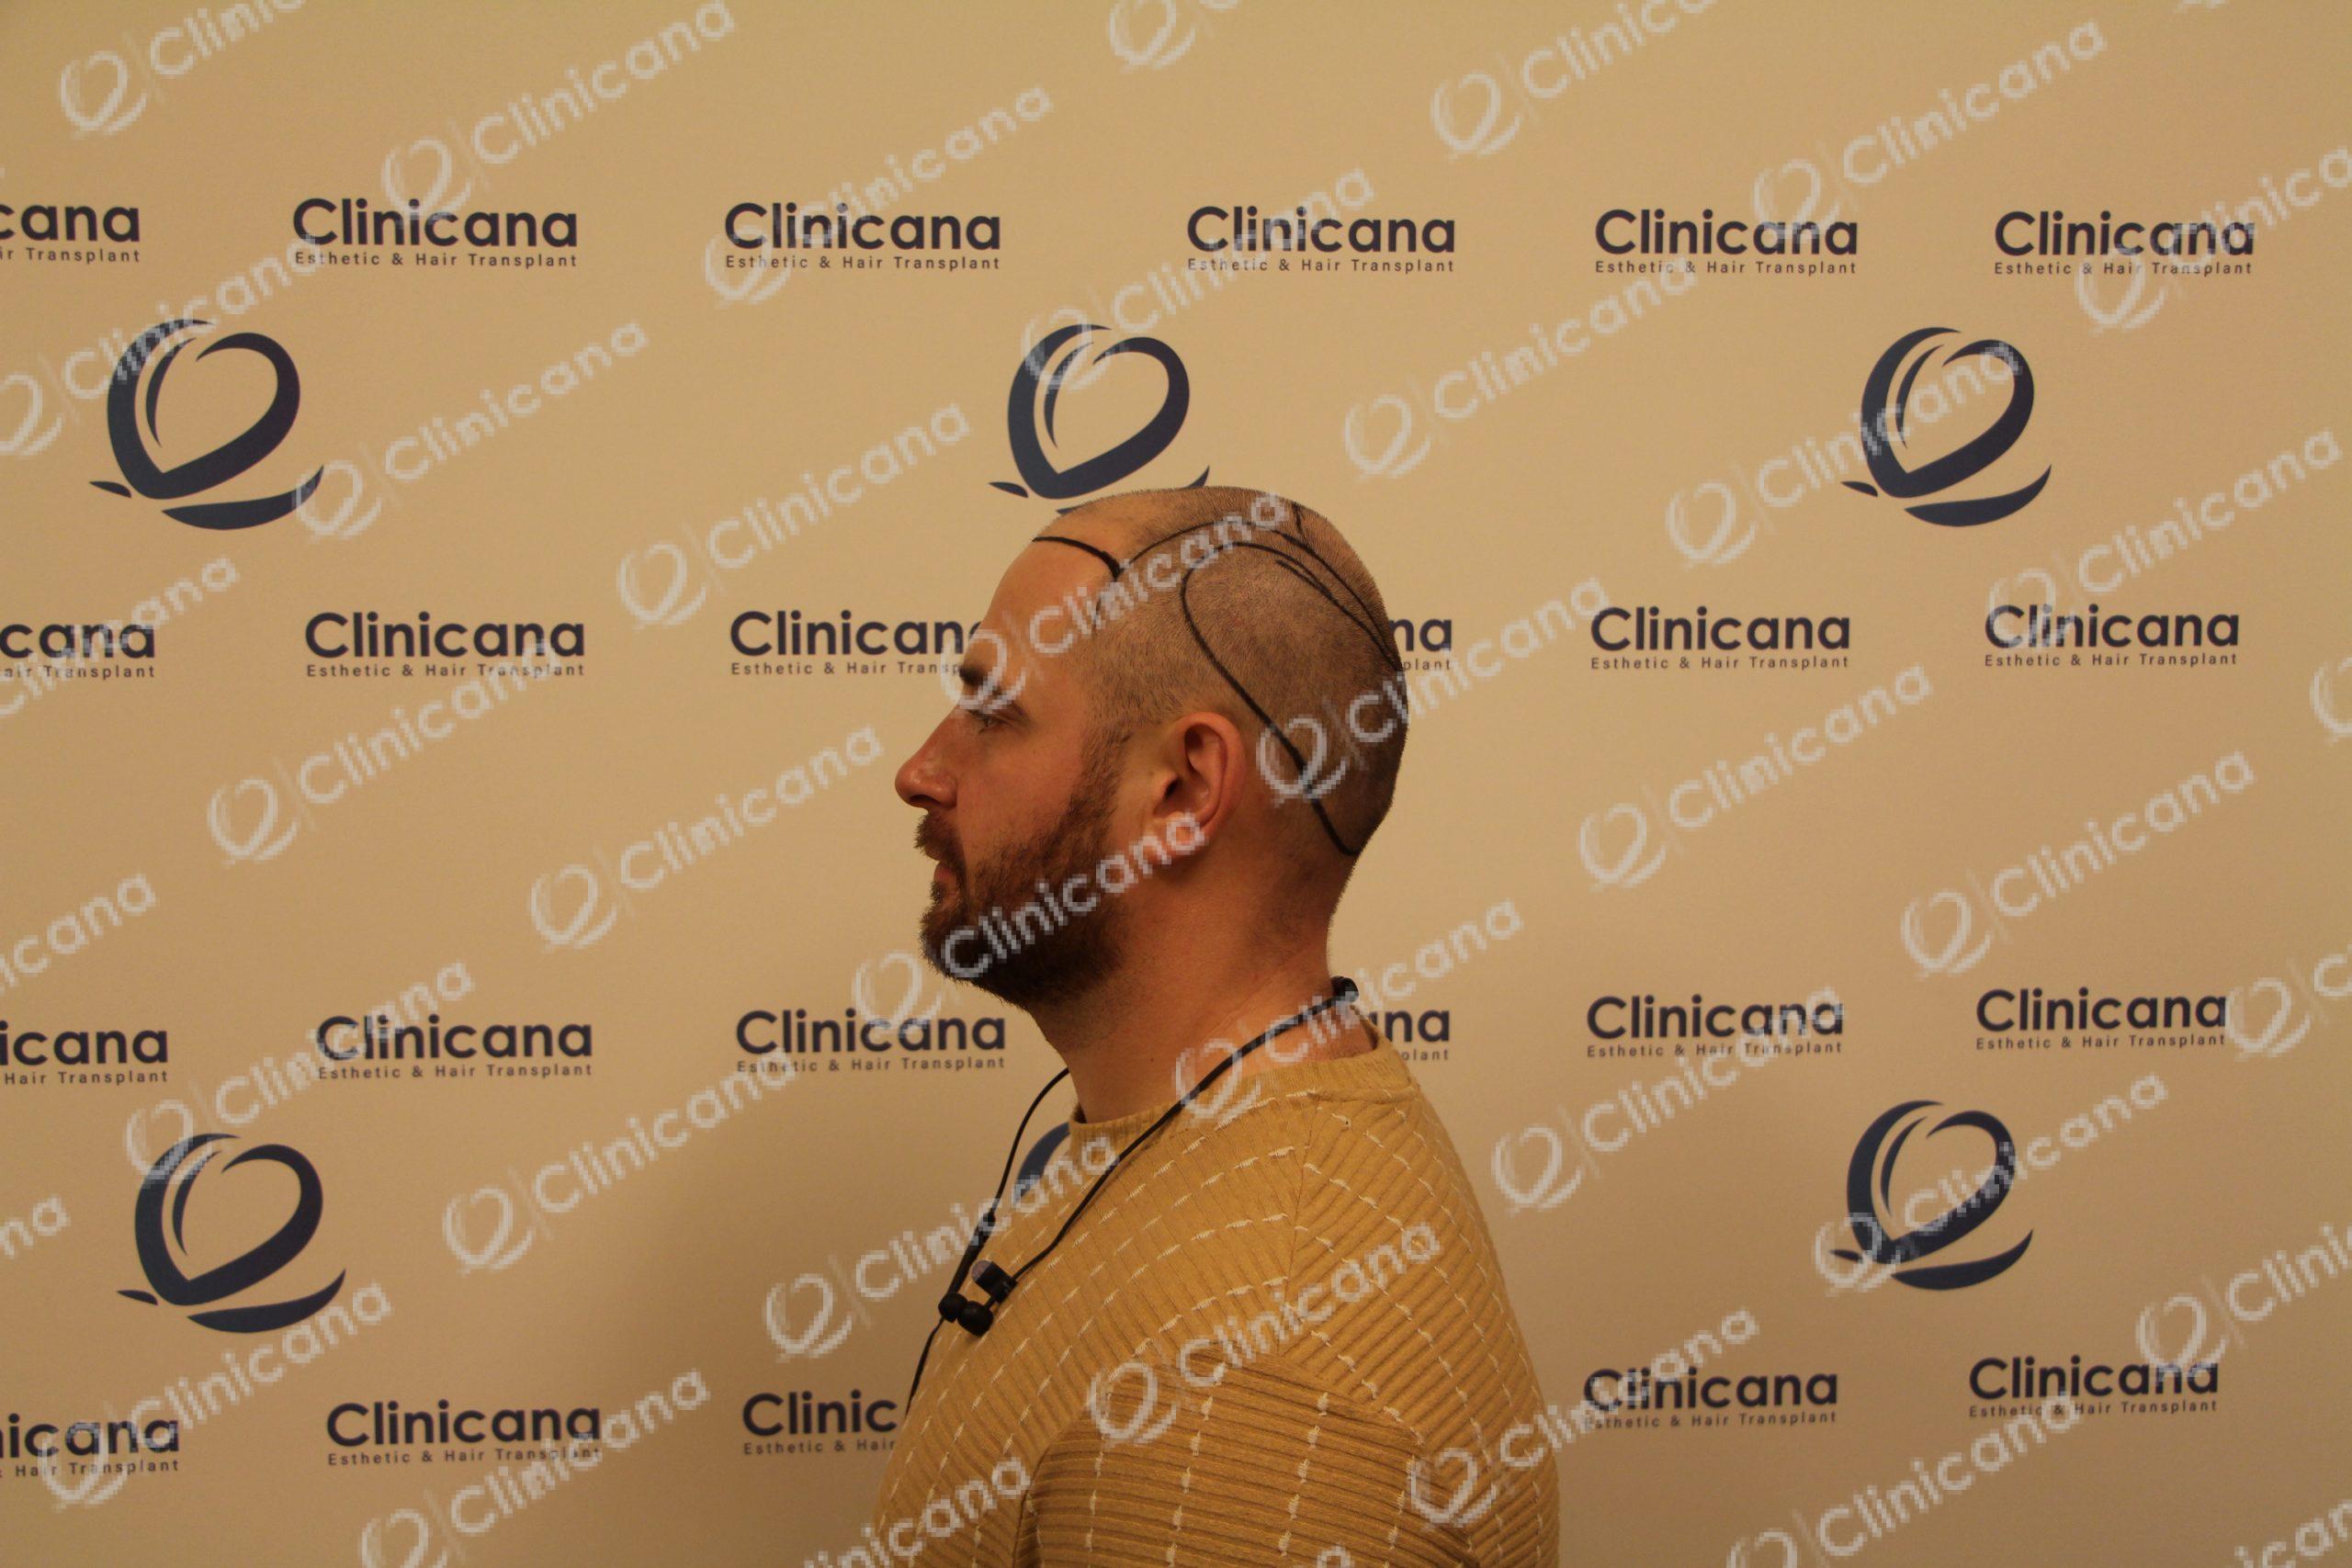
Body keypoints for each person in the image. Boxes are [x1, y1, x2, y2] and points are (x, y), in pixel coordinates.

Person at [870, 485, 1557, 1565]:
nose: (921, 772)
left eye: (993, 712)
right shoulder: (1184, 1150)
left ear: (1185, 791)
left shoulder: (1247, 1398)